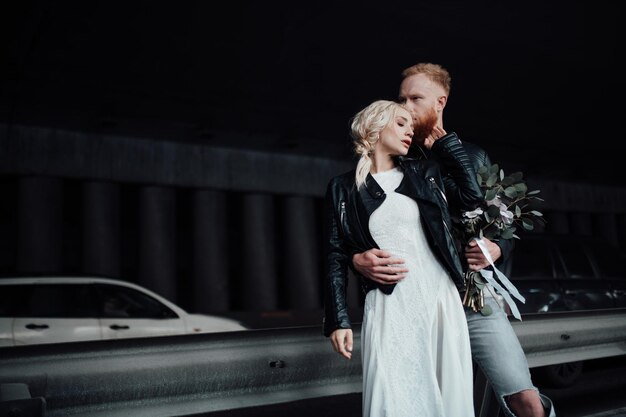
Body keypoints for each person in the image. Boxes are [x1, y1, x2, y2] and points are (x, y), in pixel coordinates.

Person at [351, 63, 555, 417]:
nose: (406, 106)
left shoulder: (472, 157)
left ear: (440, 102)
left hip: (472, 299)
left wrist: (496, 247)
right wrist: (358, 259)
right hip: (415, 301)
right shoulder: (388, 159)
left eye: (416, 98)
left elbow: (498, 221)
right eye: (401, 98)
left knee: (525, 401)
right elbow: (357, 229)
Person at [323, 99, 483, 417]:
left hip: (438, 298)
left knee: (447, 394)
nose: (409, 130)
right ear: (375, 124)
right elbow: (336, 253)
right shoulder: (342, 188)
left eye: (411, 126)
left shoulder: (427, 172)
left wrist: (446, 144)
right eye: (401, 123)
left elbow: (471, 197)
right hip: (388, 303)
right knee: (392, 395)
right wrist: (337, 320)